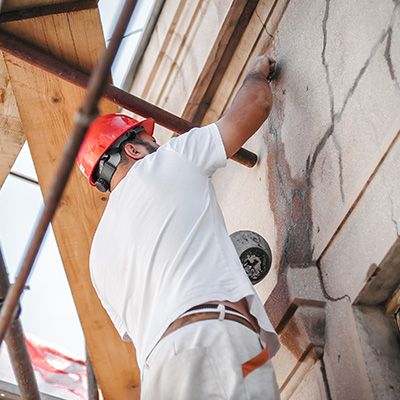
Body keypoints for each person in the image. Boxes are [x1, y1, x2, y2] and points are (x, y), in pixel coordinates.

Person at [76, 54, 280, 399]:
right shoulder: (169, 161)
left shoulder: (97, 259)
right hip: (212, 336)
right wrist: (254, 74)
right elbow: (256, 105)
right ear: (133, 149)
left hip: (158, 378)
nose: (158, 144)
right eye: (149, 140)